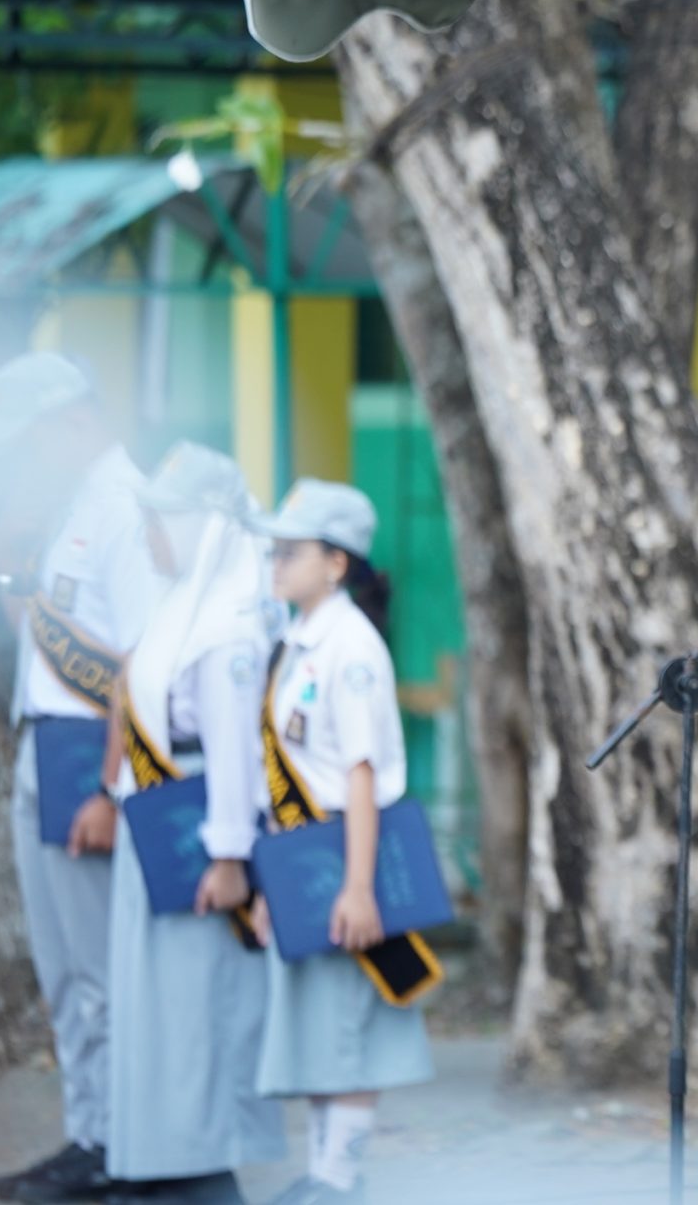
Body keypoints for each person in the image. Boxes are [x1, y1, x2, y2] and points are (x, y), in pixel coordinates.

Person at [0, 351, 167, 1205]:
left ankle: (124, 1147)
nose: (22, 458)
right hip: (42, 741)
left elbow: (142, 660)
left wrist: (107, 785)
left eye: (27, 440)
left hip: (85, 754)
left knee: (98, 971)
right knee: (64, 972)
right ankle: (90, 1134)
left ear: (67, 420)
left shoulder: (125, 505)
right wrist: (11, 562)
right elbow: (44, 635)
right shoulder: (71, 506)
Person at [102, 444, 285, 1204]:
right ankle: (157, 1161)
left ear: (201, 527)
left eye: (158, 521)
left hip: (203, 837)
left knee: (197, 1010)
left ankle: (200, 1171)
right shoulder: (188, 609)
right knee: (158, 1006)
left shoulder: (228, 628)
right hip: (162, 822)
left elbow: (236, 752)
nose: (147, 537)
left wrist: (231, 856)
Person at [252, 479, 434, 1205]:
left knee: (351, 1024)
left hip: (344, 854)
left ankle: (340, 1176)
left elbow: (360, 775)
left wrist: (358, 888)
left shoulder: (349, 647)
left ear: (335, 562)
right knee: (320, 1022)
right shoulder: (300, 640)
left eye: (289, 552)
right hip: (306, 855)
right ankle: (325, 1174)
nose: (276, 563)